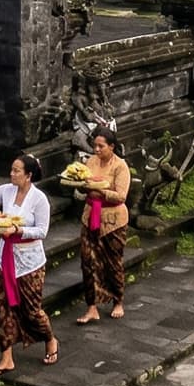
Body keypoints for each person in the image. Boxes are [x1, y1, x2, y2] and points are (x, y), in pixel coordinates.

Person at [0, 155, 58, 375]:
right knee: (2, 308)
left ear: (28, 175)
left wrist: (18, 231)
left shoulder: (39, 199)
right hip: (5, 258)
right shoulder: (7, 191)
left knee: (32, 310)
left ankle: (49, 338)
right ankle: (6, 357)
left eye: (17, 171)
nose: (12, 174)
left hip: (30, 262)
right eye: (11, 170)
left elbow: (42, 231)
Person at [75, 124, 131, 325]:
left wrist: (102, 191)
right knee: (87, 261)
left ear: (112, 147)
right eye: (95, 146)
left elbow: (121, 196)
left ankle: (118, 300)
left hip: (113, 219)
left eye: (101, 147)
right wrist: (81, 186)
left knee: (112, 261)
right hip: (90, 215)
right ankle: (92, 306)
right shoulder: (91, 161)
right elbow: (84, 185)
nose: (97, 150)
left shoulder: (120, 166)